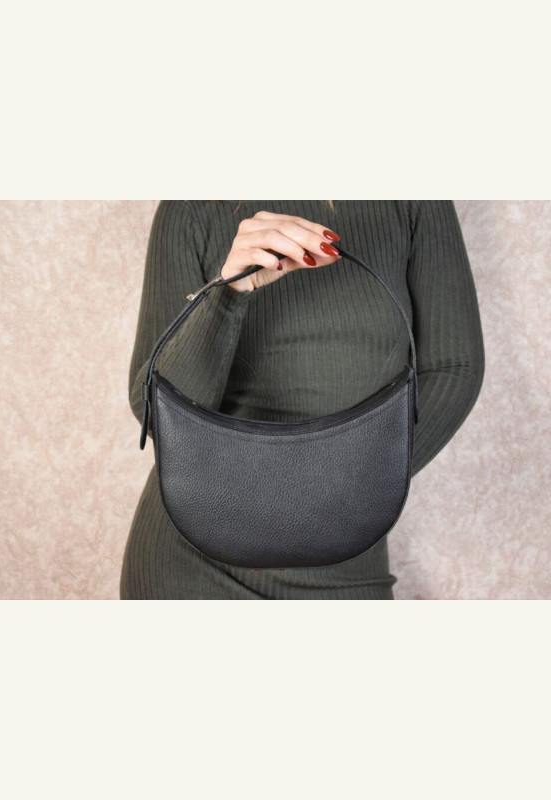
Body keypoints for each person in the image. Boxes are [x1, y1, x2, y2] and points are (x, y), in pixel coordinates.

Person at [120, 200, 485, 600]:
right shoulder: (190, 207)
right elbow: (154, 407)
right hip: (193, 556)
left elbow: (453, 368)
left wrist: (341, 495)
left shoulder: (414, 200)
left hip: (344, 555)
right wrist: (229, 292)